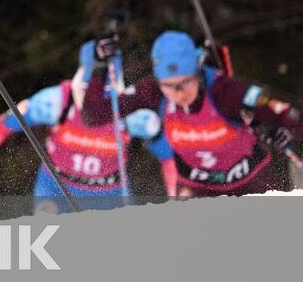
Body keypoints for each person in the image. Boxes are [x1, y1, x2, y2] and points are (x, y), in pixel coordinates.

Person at [0, 41, 175, 211]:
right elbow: (2, 125)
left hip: (109, 196)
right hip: (55, 190)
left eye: (106, 95)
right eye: (88, 91)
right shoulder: (56, 102)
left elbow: (169, 155)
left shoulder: (133, 114)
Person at [84, 30, 302, 197]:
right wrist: (99, 67)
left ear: (197, 72)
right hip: (197, 188)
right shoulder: (153, 92)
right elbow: (95, 115)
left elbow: (287, 115)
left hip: (250, 183)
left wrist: (283, 131)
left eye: (186, 82)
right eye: (169, 85)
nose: (179, 94)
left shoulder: (224, 91)